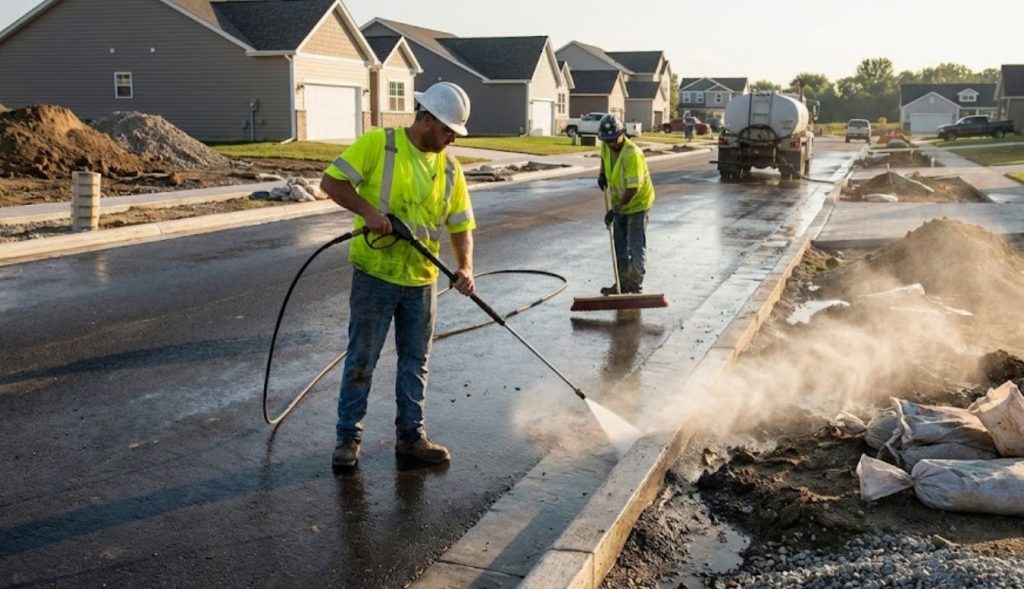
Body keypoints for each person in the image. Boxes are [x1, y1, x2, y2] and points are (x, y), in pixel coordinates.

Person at [319, 81, 476, 472]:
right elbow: (331, 182)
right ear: (427, 119)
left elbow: (461, 225)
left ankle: (411, 437)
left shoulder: (450, 169)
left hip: (421, 280)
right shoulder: (380, 144)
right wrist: (369, 212)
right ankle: (347, 438)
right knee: (362, 358)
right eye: (448, 130)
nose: (452, 139)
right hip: (376, 275)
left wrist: (465, 267)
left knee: (415, 362)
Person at [595, 114, 655, 295]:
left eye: (613, 139)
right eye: (607, 140)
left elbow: (633, 189)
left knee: (635, 244)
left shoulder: (632, 154)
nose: (610, 144)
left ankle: (635, 284)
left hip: (637, 203)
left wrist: (616, 210)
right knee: (619, 244)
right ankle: (622, 284)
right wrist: (602, 174)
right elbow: (604, 158)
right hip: (619, 202)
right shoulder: (606, 145)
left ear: (622, 133)